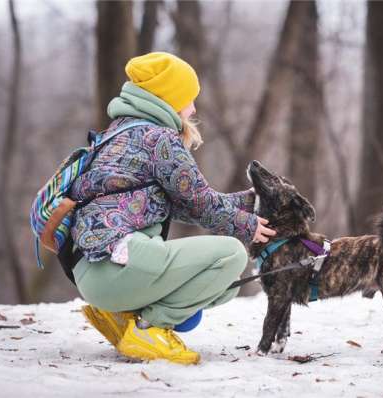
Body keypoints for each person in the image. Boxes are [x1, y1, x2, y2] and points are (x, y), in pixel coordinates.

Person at [70, 52, 276, 365]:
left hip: (93, 271)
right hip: (116, 266)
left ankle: (121, 316)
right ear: (170, 98)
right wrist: (246, 226)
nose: (193, 108)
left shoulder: (119, 132)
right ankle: (147, 328)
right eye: (189, 99)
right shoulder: (159, 138)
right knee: (232, 255)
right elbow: (199, 202)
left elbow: (179, 205)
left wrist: (249, 202)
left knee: (223, 287)